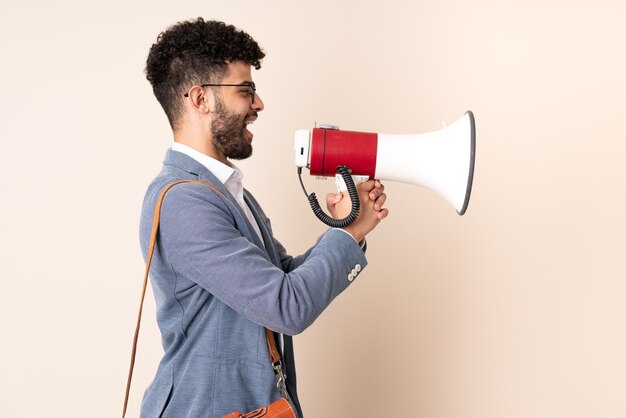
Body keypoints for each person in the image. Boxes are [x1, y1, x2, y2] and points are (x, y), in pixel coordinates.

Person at [139, 18, 388, 417]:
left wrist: (346, 229)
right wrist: (349, 233)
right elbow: (286, 306)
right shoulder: (184, 201)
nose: (258, 104)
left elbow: (281, 276)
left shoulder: (227, 192)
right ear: (200, 99)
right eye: (246, 90)